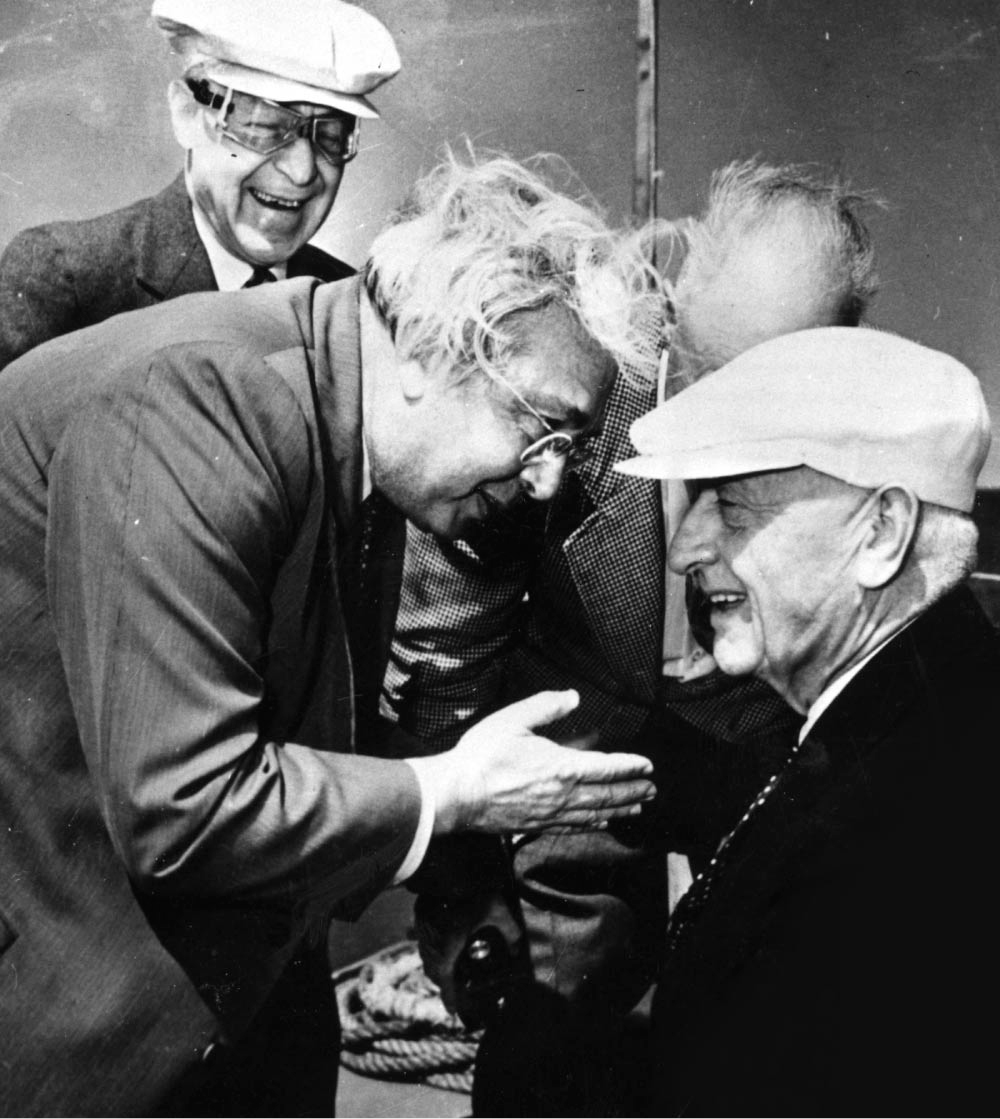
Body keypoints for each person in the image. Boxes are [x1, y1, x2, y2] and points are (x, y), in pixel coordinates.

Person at [0, 154, 664, 1117]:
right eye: (544, 429)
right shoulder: (202, 399)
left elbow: (312, 724)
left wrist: (459, 867)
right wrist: (451, 793)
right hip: (65, 1033)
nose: (549, 480)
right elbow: (185, 808)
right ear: (433, 351)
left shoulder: (345, 418)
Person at [388, 159, 879, 1115]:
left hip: (753, 743)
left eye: (776, 385)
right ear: (680, 304)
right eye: (714, 373)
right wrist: (458, 884)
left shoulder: (856, 422)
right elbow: (445, 659)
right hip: (584, 743)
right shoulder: (578, 387)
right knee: (553, 1029)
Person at [619, 326, 998, 1116]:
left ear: (882, 532)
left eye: (731, 504)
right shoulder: (926, 705)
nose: (684, 549)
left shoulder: (900, 820)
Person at [0, 0, 397, 370]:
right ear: (188, 113)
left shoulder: (352, 303)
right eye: (264, 126)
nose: (302, 171)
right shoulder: (68, 281)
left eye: (330, 136)